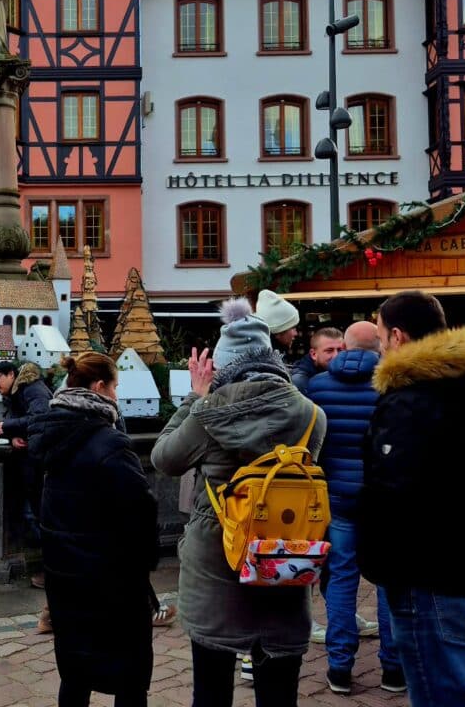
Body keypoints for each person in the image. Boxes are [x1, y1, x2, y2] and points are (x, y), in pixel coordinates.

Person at [151, 297, 326, 707]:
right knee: (279, 691)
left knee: (211, 690)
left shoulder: (209, 410)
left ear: (224, 364)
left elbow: (164, 459)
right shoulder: (311, 414)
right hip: (285, 551)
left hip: (218, 554)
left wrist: (195, 398)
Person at [358, 291, 465, 707]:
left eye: (379, 336)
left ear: (397, 336)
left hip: (432, 575)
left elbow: (394, 495)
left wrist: (373, 558)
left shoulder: (410, 399)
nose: (379, 347)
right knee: (463, 687)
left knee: (442, 695)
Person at [29, 352, 159, 707]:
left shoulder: (50, 434)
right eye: (115, 387)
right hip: (111, 576)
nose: (117, 396)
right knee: (129, 673)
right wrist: (145, 560)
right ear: (99, 388)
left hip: (64, 571)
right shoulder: (109, 442)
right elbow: (141, 510)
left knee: (75, 669)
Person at [306, 321, 403, 695]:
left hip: (337, 496)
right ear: (378, 344)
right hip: (381, 498)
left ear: (344, 347)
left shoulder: (317, 387)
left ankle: (340, 667)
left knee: (342, 578)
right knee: (387, 580)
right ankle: (393, 670)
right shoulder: (391, 384)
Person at [0, 360, 51, 590]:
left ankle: (52, 570)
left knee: (38, 516)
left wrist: (7, 425)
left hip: (38, 462)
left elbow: (41, 418)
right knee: (33, 514)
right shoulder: (20, 392)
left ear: (11, 374)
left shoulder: (32, 388)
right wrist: (13, 436)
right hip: (31, 460)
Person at [290, 326, 343, 395]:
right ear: (314, 354)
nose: (336, 355)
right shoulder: (300, 382)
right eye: (329, 350)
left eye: (340, 350)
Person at [254, 289, 300, 361]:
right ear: (278, 333)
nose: (296, 333)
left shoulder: (267, 358)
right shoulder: (268, 364)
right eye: (292, 328)